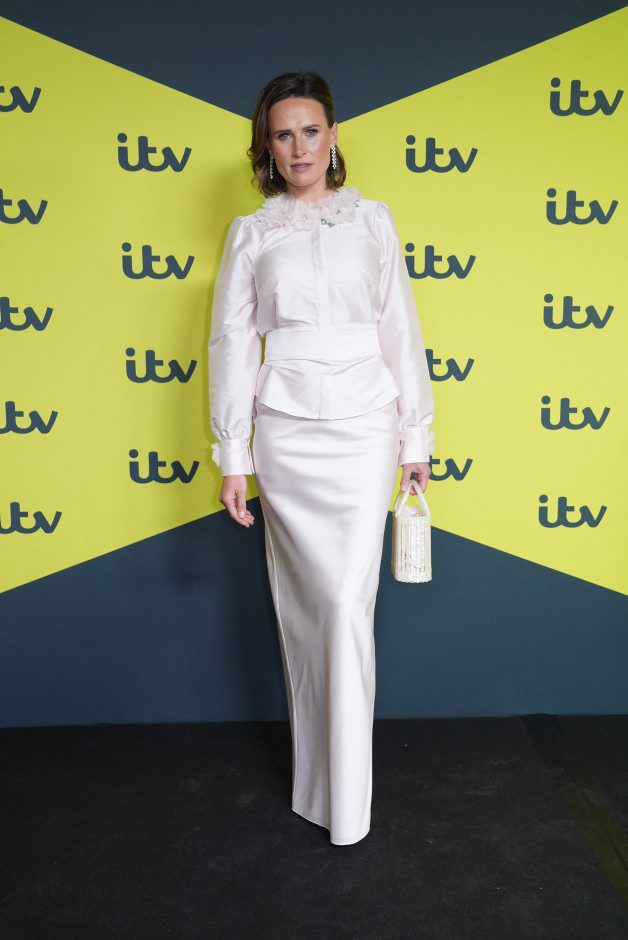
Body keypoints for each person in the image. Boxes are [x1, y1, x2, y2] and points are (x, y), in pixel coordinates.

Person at [208, 71, 435, 846]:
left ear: (333, 137)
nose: (299, 147)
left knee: (346, 606)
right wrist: (233, 455)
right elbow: (232, 345)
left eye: (310, 131)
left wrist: (415, 439)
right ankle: (320, 788)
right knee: (308, 615)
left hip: (367, 426)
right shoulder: (250, 232)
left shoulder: (374, 221)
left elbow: (401, 330)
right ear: (267, 148)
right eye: (283, 134)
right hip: (288, 432)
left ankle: (348, 805)